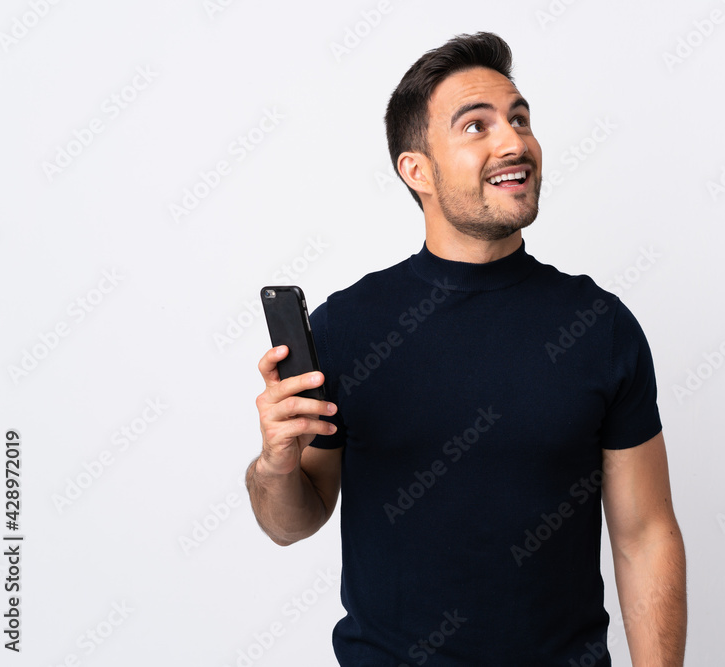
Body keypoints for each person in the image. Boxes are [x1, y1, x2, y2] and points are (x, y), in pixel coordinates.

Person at [246, 31, 686, 667]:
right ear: (417, 170)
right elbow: (292, 522)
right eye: (476, 126)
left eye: (520, 119)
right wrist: (274, 466)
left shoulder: (599, 327)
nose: (514, 141)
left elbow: (646, 535)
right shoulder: (345, 328)